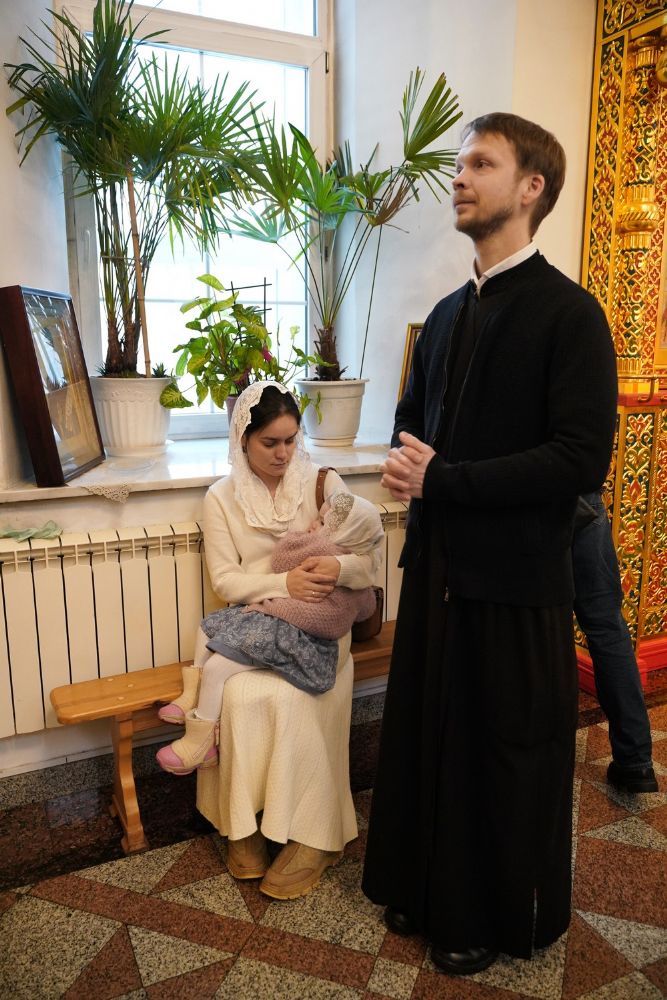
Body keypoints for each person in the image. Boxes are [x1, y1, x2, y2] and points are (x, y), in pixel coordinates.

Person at [361, 113, 618, 975]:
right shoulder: (443, 314)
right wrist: (405, 462)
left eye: (480, 162)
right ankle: (424, 888)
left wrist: (445, 480)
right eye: (459, 164)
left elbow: (579, 459)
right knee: (429, 736)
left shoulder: (569, 314)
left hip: (515, 579)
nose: (459, 177)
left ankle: (486, 915)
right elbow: (410, 421)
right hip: (436, 566)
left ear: (531, 186)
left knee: (498, 752)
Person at [177, 381, 382, 900]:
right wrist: (284, 584)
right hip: (257, 625)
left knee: (295, 697)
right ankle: (241, 825)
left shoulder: (322, 482)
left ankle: (316, 834)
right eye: (270, 442)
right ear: (243, 440)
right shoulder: (220, 498)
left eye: (291, 440)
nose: (283, 453)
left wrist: (336, 569)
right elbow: (226, 581)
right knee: (242, 695)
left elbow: (368, 558)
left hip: (322, 627)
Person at [155, 491, 382, 774]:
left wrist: (313, 547)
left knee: (217, 665)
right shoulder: (223, 495)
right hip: (276, 611)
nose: (313, 523)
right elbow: (366, 607)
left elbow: (283, 558)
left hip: (296, 632)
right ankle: (194, 692)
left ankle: (200, 743)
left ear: (342, 532)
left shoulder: (322, 548)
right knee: (207, 627)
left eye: (323, 522)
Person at [574, 490, 658, 793]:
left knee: (533, 625)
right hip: (583, 500)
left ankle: (535, 751)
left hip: (525, 501)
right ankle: (635, 759)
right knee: (607, 628)